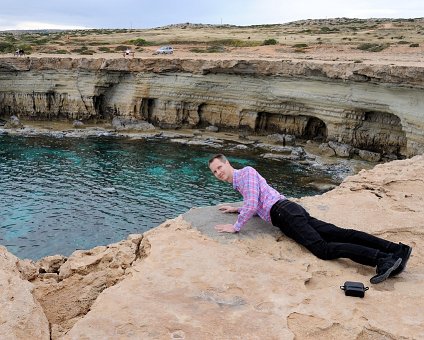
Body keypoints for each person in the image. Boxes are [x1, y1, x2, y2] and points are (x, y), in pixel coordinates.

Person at [208, 154, 412, 284]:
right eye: (214, 171)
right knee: (339, 233)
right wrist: (237, 209)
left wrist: (236, 227)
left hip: (284, 214)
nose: (218, 172)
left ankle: (384, 259)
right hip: (288, 210)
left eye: (219, 167)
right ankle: (396, 250)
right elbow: (255, 202)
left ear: (227, 163)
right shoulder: (241, 180)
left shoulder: (245, 174)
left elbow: (253, 203)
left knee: (323, 249)